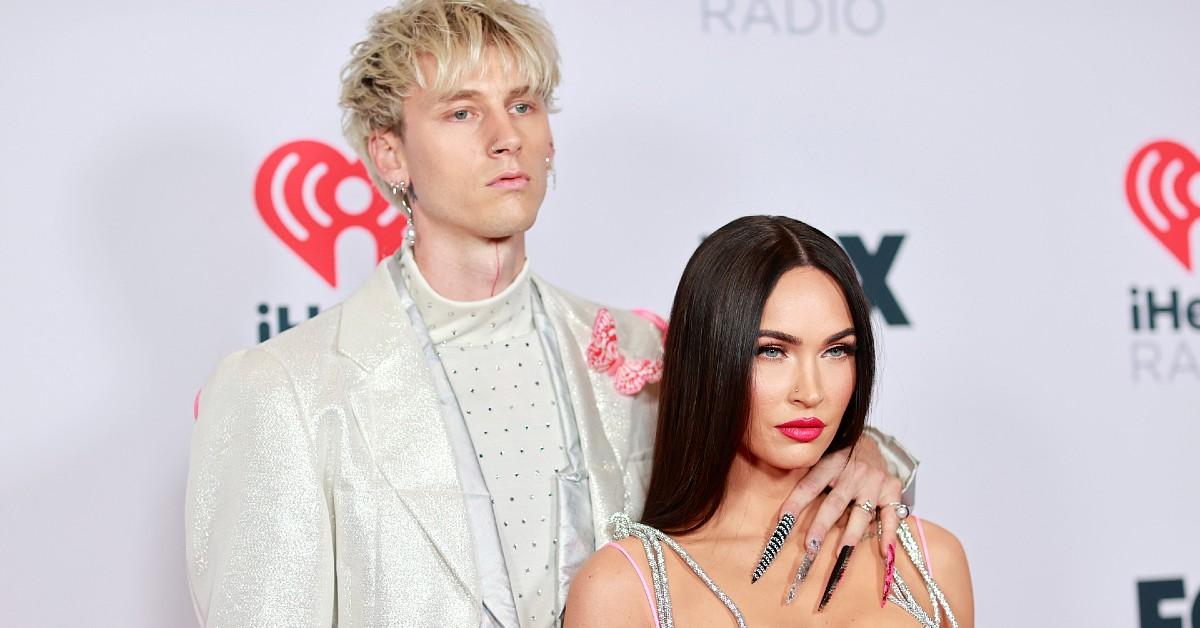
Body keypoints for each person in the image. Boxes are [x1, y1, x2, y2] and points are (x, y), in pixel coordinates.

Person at [184, 2, 918, 626]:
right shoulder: (283, 388)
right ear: (390, 155)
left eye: (524, 104)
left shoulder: (635, 354)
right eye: (462, 110)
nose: (506, 136)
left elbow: (766, 477)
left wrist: (864, 453)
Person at [565, 216, 973, 627]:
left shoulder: (932, 560)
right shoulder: (624, 589)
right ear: (709, 360)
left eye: (836, 351)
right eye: (772, 351)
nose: (811, 392)